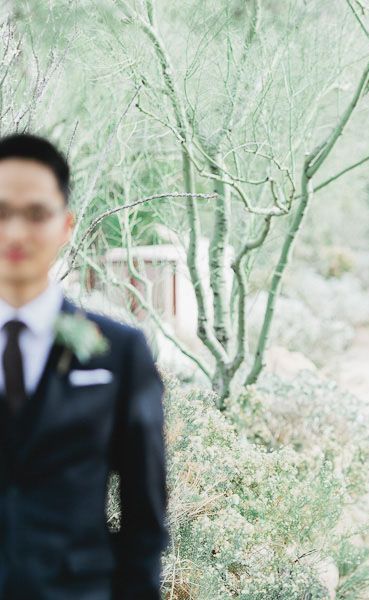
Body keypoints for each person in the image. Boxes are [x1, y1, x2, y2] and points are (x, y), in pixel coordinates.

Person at [0, 133, 168, 599]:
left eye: (36, 214)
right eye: (1, 212)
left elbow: (144, 516)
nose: (16, 232)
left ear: (66, 225)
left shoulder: (120, 353)